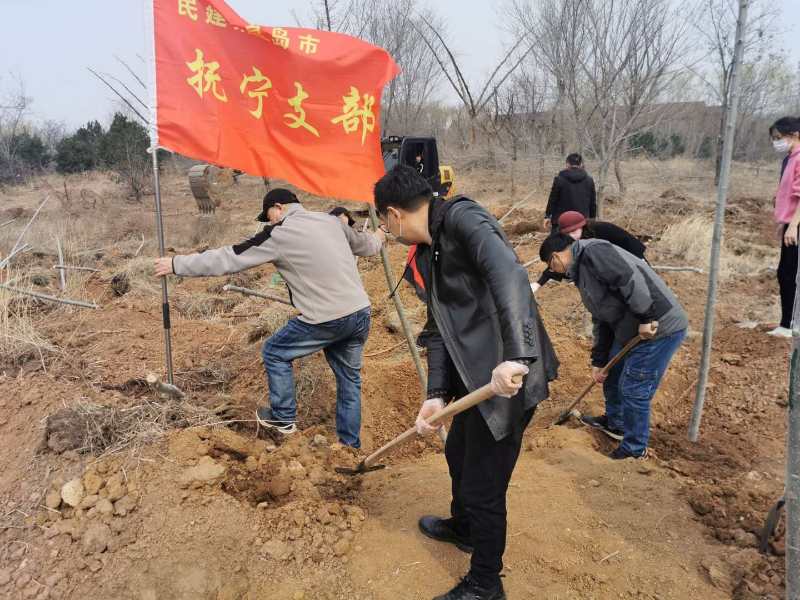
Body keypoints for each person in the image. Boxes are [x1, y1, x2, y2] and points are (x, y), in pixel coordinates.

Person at [374, 165, 559, 600]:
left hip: (508, 376)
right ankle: (466, 526)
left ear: (395, 214)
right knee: (458, 452)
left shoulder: (462, 219)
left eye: (382, 221)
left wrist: (517, 355)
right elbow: (439, 328)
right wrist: (436, 395)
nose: (383, 229)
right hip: (474, 375)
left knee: (484, 483)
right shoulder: (425, 253)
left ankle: (485, 582)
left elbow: (509, 275)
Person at [153, 188, 385, 448]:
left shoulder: (279, 234)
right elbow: (367, 246)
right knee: (349, 380)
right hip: (360, 312)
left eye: (269, 216)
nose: (269, 221)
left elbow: (229, 258)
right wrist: (380, 234)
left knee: (275, 351)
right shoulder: (330, 221)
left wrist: (176, 265)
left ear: (279, 207)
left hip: (327, 318)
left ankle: (283, 418)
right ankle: (349, 447)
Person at [538, 233, 687, 459]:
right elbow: (602, 317)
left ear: (556, 257)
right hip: (628, 327)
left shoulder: (594, 252)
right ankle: (616, 423)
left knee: (634, 388)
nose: (556, 272)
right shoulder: (581, 271)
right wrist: (599, 361)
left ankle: (634, 449)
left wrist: (647, 317)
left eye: (551, 266)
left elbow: (629, 279)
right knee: (612, 370)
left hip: (658, 327)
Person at [532, 211, 646, 293]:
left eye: (574, 231)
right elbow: (557, 263)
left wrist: (640, 260)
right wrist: (539, 283)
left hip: (628, 260)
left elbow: (627, 240)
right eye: (568, 233)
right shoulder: (570, 244)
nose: (572, 236)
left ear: (583, 225)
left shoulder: (601, 229)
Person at [768, 116, 800, 338]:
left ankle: (791, 324)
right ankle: (787, 323)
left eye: (779, 138)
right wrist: (784, 222)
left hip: (797, 225)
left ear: (795, 134)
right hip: (791, 223)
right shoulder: (790, 158)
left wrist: (793, 225)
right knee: (785, 273)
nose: (776, 143)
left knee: (791, 274)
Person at [543, 153, 597, 232]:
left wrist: (547, 216)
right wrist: (592, 220)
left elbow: (553, 199)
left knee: (558, 243)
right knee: (580, 244)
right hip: (581, 222)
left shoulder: (559, 179)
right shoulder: (589, 180)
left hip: (561, 221)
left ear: (567, 164)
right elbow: (592, 203)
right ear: (581, 164)